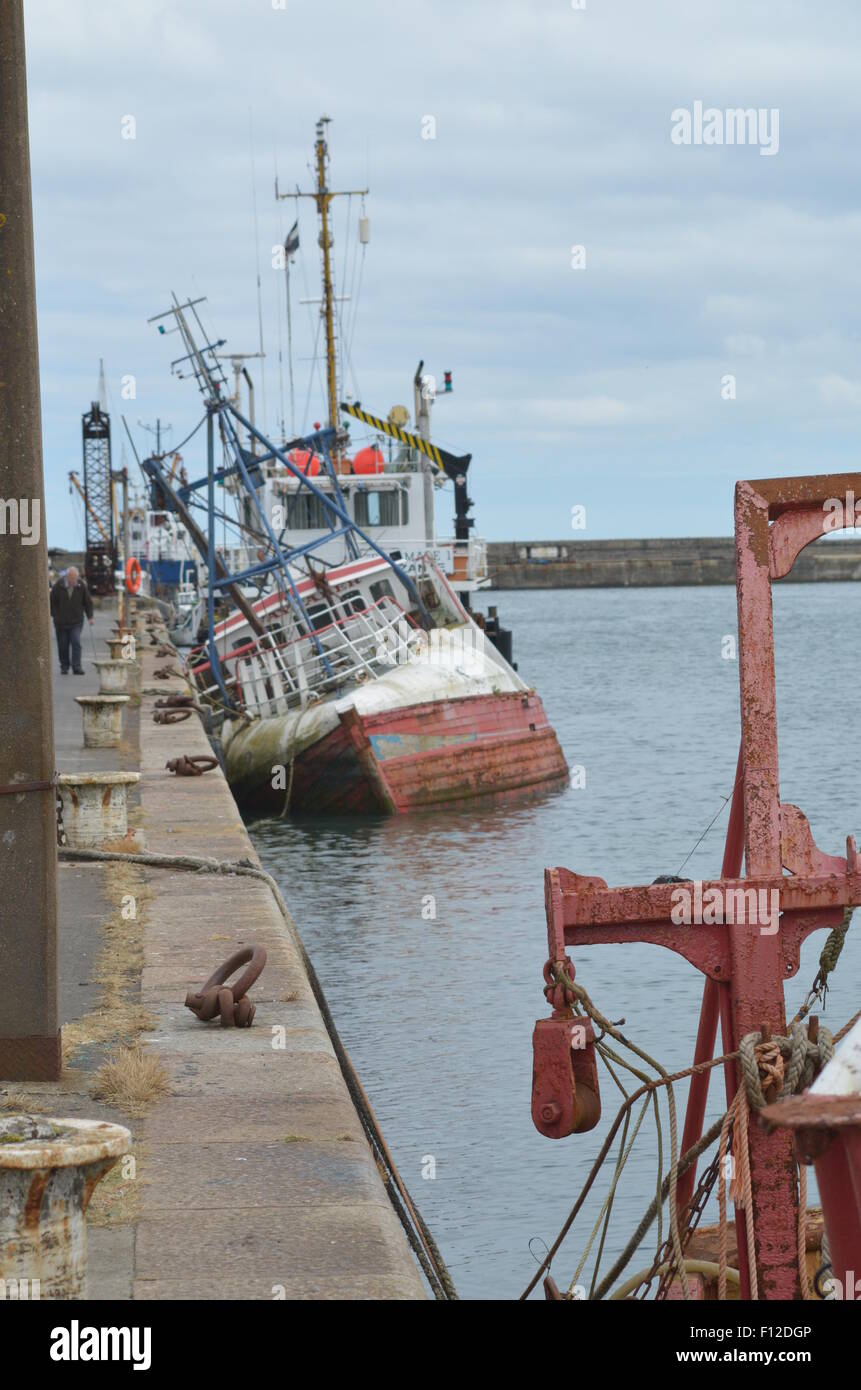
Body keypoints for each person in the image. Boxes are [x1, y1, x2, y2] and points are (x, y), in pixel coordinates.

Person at [50, 566, 94, 675]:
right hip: (61, 623)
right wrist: (55, 615)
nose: (74, 582)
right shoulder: (58, 585)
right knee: (63, 645)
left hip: (76, 621)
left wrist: (90, 617)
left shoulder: (81, 585)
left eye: (75, 579)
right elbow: (51, 602)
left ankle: (77, 667)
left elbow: (87, 602)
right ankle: (64, 666)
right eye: (72, 579)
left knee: (76, 643)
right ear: (67, 577)